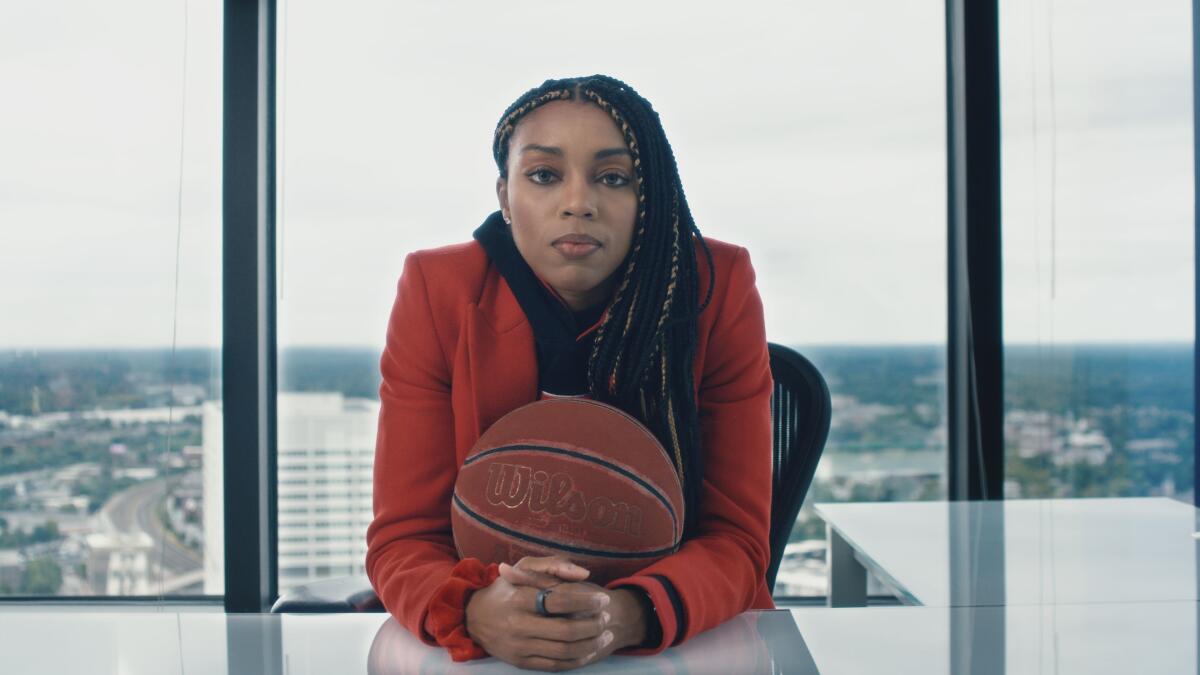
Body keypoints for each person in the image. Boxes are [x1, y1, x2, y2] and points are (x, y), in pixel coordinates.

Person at [366, 74, 774, 671]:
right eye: (544, 175)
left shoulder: (716, 287)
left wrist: (625, 614)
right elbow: (402, 538)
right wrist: (476, 610)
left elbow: (739, 541)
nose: (578, 201)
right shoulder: (439, 291)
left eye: (613, 178)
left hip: (681, 644)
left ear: (649, 198)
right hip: (486, 652)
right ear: (505, 197)